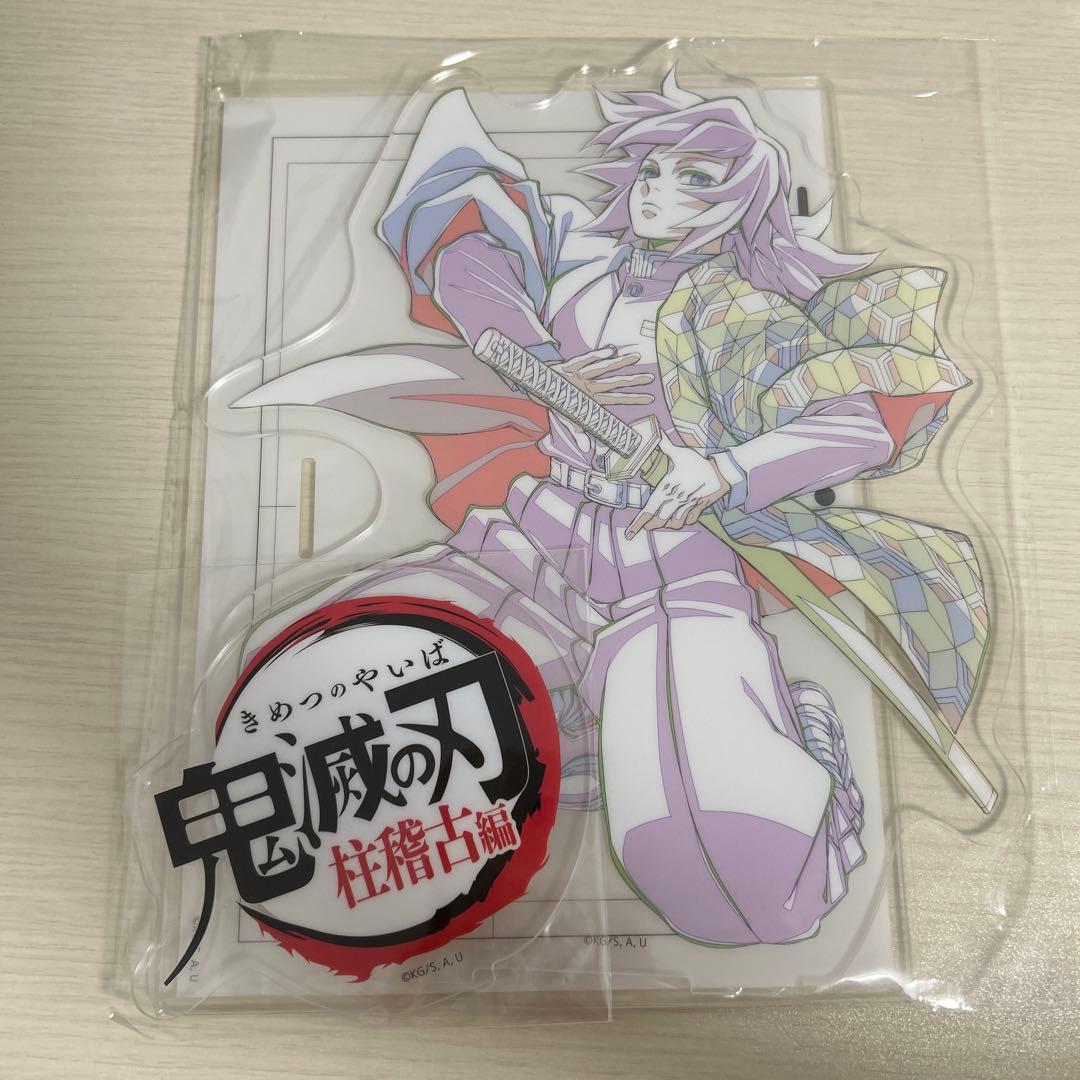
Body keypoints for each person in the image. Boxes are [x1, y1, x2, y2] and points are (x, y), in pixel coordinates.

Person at [238, 70, 989, 945]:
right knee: (307, 704)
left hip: (670, 571)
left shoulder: (752, 313)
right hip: (534, 534)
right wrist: (535, 359)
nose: (658, 191)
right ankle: (580, 737)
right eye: (653, 169)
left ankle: (796, 747)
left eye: (696, 178)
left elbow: (862, 416)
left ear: (746, 199)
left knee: (729, 882)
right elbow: (459, 211)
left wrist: (726, 471)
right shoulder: (578, 255)